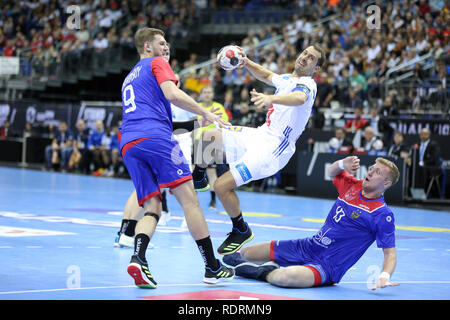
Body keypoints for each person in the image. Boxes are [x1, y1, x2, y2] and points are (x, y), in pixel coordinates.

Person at [119, 27, 233, 289]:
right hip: (155, 139)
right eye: (161, 42)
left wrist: (193, 121)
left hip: (129, 143)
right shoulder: (156, 63)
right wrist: (207, 113)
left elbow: (159, 113)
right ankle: (212, 267)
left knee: (153, 208)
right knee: (190, 201)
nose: (166, 46)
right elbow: (172, 95)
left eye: (167, 42)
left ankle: (138, 258)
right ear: (148, 47)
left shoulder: (128, 78)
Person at [191, 44, 325, 256]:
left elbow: (298, 98)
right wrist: (246, 62)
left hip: (273, 150)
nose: (305, 58)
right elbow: (267, 75)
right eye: (305, 53)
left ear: (316, 69)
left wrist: (270, 98)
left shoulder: (308, 84)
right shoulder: (287, 80)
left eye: (312, 58)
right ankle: (198, 178)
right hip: (261, 134)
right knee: (208, 136)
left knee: (221, 186)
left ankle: (240, 229)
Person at [223, 156, 400, 291]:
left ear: (386, 183)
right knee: (246, 253)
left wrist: (385, 275)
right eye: (371, 168)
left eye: (377, 172)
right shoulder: (353, 185)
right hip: (309, 246)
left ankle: (265, 269)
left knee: (286, 278)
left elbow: (390, 253)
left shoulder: (382, 214)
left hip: (327, 266)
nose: (370, 172)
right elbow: (332, 172)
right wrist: (342, 164)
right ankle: (265, 266)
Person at [196, 85, 230, 209]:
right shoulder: (195, 107)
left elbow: (223, 126)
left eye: (209, 92)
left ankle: (213, 201)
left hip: (212, 144)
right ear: (201, 94)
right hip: (196, 143)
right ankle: (193, 200)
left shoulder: (218, 107)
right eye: (205, 92)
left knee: (211, 172)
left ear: (213, 94)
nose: (207, 94)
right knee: (192, 171)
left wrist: (222, 147)